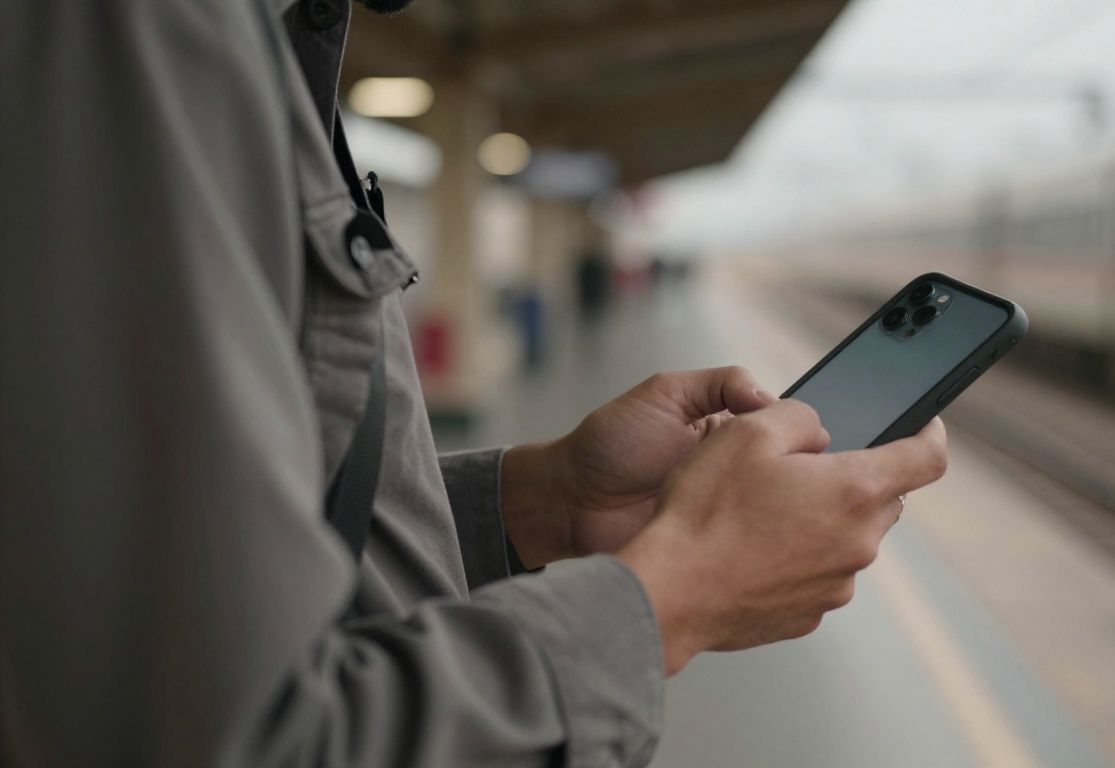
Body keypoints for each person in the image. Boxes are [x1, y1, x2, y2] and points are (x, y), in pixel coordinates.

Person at [0, 1, 949, 766]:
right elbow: (222, 736)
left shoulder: (260, 43)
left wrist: (539, 501)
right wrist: (680, 591)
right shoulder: (141, 33)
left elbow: (226, 544)